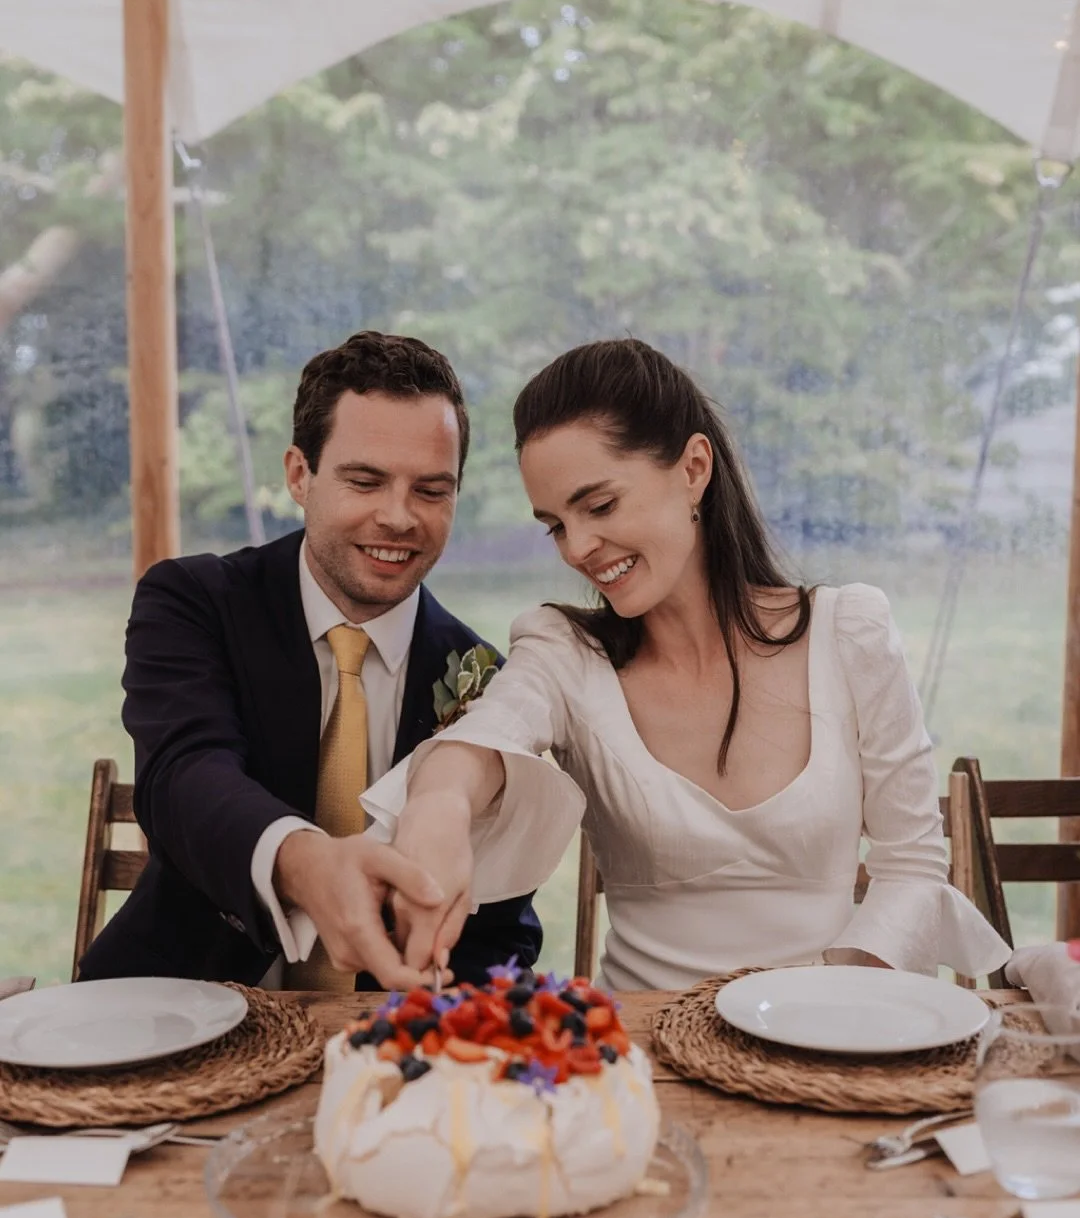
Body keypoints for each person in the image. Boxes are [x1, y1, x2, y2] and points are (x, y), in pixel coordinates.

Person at [363, 338, 1013, 990]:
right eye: (556, 525)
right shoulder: (565, 651)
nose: (579, 547)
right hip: (647, 1054)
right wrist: (439, 804)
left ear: (693, 468)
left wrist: (836, 1000)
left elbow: (912, 865)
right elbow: (490, 733)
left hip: (832, 1031)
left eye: (599, 505)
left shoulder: (850, 632)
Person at [78, 331, 541, 991]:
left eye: (431, 490)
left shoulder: (481, 672)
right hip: (176, 1009)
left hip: (384, 1044)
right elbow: (184, 776)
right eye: (366, 480)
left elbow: (499, 921)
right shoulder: (193, 602)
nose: (399, 517)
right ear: (300, 475)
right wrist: (306, 864)